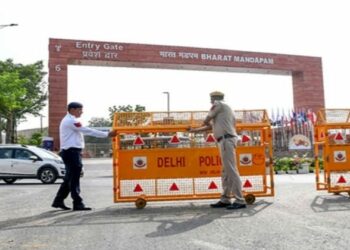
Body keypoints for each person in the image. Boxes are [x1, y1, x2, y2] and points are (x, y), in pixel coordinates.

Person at [52, 102, 117, 211]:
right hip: (71, 152)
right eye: (80, 110)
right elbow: (87, 130)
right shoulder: (71, 121)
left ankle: (58, 201)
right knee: (74, 179)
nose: (82, 112)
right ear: (72, 109)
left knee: (69, 178)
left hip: (70, 152)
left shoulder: (70, 120)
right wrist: (107, 134)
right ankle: (77, 203)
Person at [188, 91, 246, 210]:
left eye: (211, 98)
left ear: (214, 98)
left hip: (226, 139)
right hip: (225, 140)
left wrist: (201, 124)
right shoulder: (224, 109)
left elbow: (206, 120)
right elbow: (209, 126)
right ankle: (225, 199)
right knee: (226, 171)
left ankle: (240, 200)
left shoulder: (218, 104)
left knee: (231, 170)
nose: (210, 101)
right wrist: (194, 130)